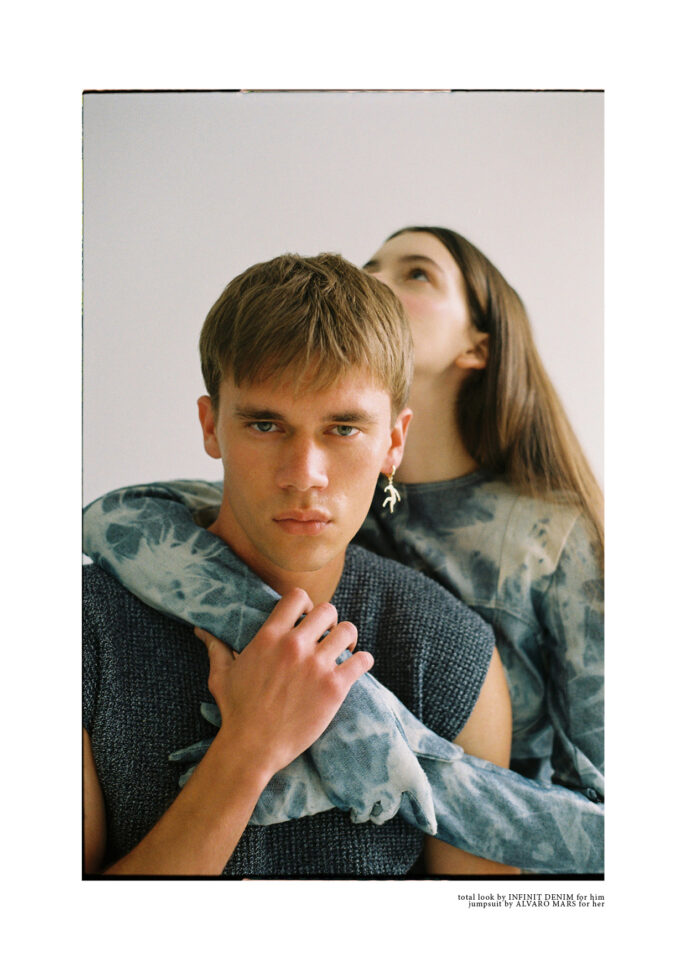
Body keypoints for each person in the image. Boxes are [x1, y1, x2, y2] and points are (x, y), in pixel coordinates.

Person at [84, 228, 604, 873]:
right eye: (265, 424)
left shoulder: (450, 651)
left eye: (344, 428)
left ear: (394, 441)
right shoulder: (86, 625)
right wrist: (248, 751)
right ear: (210, 425)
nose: (305, 475)